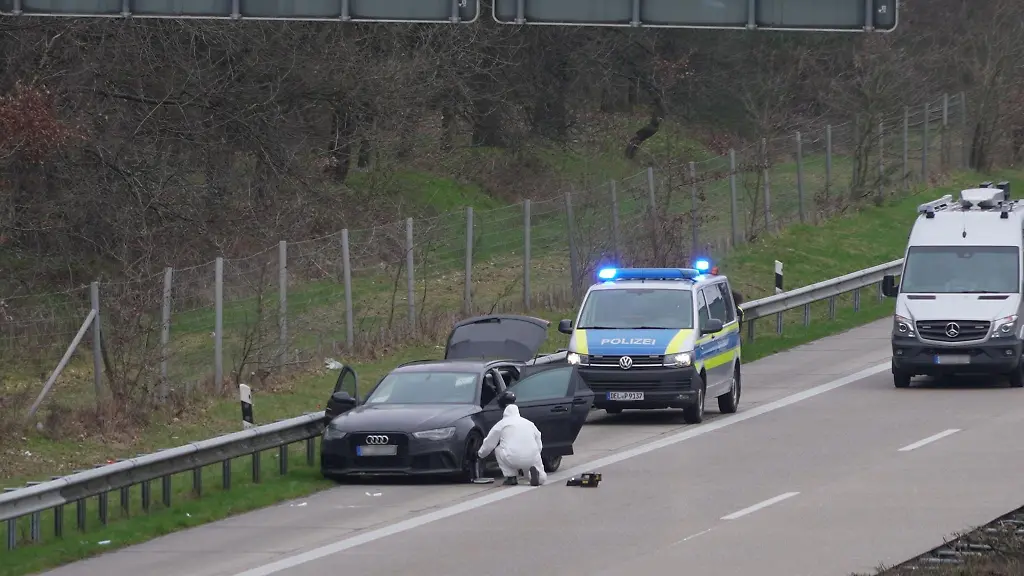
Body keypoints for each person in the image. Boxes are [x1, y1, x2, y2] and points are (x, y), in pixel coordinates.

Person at [478, 401, 546, 486]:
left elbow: (490, 442)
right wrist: (536, 452)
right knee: (537, 466)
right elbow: (538, 439)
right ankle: (538, 477)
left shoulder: (501, 424)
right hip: (532, 456)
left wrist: (480, 454)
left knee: (498, 450)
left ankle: (511, 477)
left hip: (512, 457)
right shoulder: (529, 423)